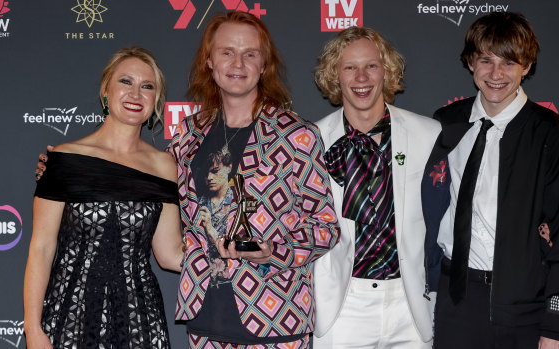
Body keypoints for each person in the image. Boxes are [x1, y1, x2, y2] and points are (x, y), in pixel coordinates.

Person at [169, 11, 340, 348]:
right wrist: (67, 164)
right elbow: (149, 181)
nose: (238, 63)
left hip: (275, 317)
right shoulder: (187, 135)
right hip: (205, 320)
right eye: (227, 52)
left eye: (250, 54)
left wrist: (273, 252)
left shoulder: (296, 135)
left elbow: (325, 226)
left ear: (264, 65)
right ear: (209, 61)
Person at [422, 12, 559, 349]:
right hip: (454, 301)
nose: (496, 74)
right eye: (485, 60)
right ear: (470, 63)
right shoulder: (445, 124)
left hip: (525, 308)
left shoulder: (553, 135)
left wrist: (558, 327)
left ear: (526, 66)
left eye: (509, 63)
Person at [24, 46, 184, 348]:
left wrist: (223, 251)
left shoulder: (164, 165)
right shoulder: (65, 159)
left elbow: (169, 254)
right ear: (105, 91)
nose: (136, 94)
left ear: (156, 100)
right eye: (126, 81)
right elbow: (41, 248)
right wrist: (33, 329)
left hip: (140, 317)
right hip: (69, 314)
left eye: (147, 86)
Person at [312, 26, 441, 348]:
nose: (361, 77)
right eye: (349, 67)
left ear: (386, 71)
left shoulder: (428, 135)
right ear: (335, 75)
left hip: (410, 301)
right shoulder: (311, 140)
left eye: (371, 65)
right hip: (343, 303)